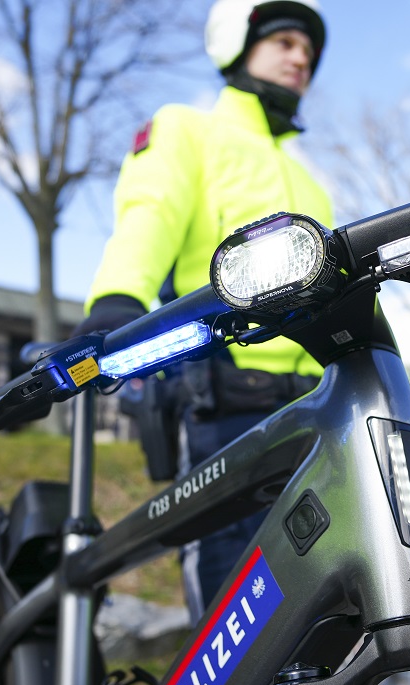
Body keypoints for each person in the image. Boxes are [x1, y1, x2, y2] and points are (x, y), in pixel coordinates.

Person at [77, 0, 332, 618]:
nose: (301, 57)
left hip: (317, 415)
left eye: (309, 50)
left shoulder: (313, 181)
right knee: (233, 632)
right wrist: (117, 301)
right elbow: (150, 212)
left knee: (322, 621)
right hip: (225, 414)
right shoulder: (189, 129)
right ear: (236, 43)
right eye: (285, 41)